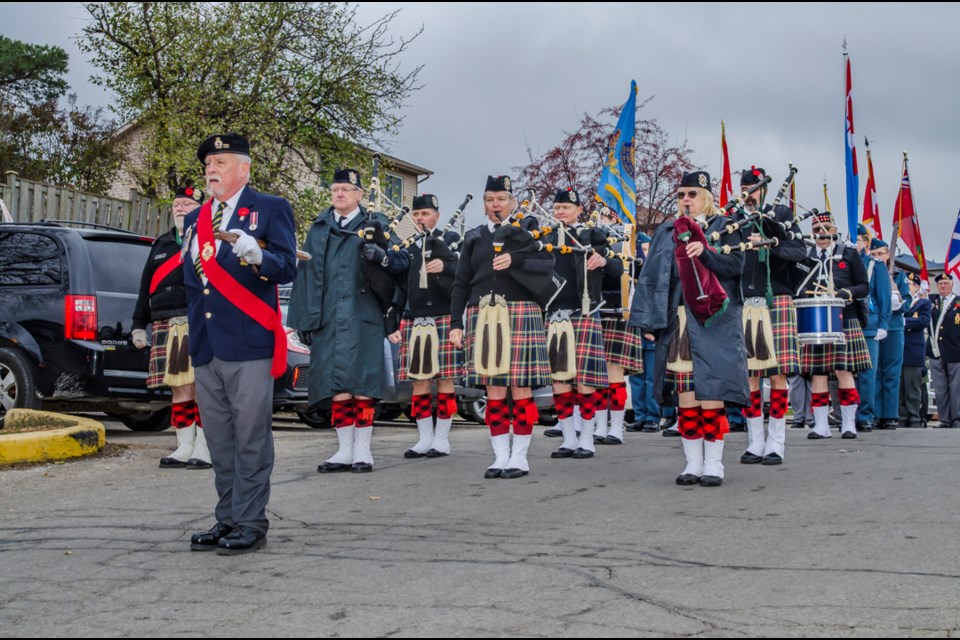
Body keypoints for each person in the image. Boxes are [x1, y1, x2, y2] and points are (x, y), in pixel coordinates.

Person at [184, 133, 297, 555]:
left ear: (244, 169)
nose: (211, 169)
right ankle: (227, 517)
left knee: (250, 436)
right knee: (219, 439)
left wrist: (257, 256)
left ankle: (251, 522)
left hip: (249, 342)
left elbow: (288, 269)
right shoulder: (197, 219)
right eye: (209, 164)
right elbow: (195, 285)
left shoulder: (269, 208)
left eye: (221, 162)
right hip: (207, 344)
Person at [630, 171, 750, 488]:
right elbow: (653, 278)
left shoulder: (725, 227)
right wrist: (651, 321)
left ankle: (713, 463)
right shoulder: (668, 231)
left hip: (715, 321)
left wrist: (707, 252)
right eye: (682, 194)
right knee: (685, 395)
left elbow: (737, 267)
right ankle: (692, 463)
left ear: (706, 197)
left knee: (710, 392)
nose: (686, 199)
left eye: (692, 193)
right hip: (679, 320)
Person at [288, 168, 409, 473]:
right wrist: (302, 320)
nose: (339, 194)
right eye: (335, 189)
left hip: (363, 315)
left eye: (345, 189)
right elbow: (305, 275)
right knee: (336, 384)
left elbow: (402, 260)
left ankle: (363, 450)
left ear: (359, 194)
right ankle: (343, 450)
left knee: (363, 383)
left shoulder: (376, 223)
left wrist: (381, 255)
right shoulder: (319, 228)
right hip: (327, 317)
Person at [449, 175, 555, 479]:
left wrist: (515, 260)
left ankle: (519, 457)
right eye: (490, 200)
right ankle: (500, 456)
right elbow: (460, 282)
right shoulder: (474, 238)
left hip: (520, 311)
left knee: (520, 388)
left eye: (501, 199)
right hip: (482, 314)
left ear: (512, 202)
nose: (495, 204)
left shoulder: (528, 235)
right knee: (494, 389)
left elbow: (547, 266)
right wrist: (457, 322)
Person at [132, 185, 211, 470]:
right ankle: (184, 445)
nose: (180, 208)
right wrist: (138, 326)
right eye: (177, 204)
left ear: (200, 210)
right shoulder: (162, 244)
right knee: (179, 388)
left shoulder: (206, 240)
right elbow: (145, 290)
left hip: (196, 321)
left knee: (202, 386)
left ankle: (205, 446)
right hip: (166, 322)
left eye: (187, 204)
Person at [732, 167, 807, 465]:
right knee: (749, 375)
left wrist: (771, 242)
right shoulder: (735, 216)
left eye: (755, 187)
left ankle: (776, 442)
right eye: (746, 187)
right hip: (745, 299)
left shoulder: (783, 214)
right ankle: (755, 442)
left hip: (776, 297)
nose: (750, 193)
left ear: (763, 189)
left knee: (776, 373)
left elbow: (799, 250)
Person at [540, 188, 616, 459]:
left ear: (578, 209)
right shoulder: (546, 237)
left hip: (584, 312)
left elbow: (618, 270)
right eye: (557, 207)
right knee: (560, 379)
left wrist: (603, 259)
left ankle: (587, 438)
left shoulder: (591, 235)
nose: (560, 211)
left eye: (566, 207)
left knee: (585, 380)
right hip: (555, 314)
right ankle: (568, 438)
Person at [388, 194, 462, 458]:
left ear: (437, 216)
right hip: (413, 319)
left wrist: (447, 265)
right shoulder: (408, 246)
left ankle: (442, 439)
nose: (420, 219)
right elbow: (397, 287)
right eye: (417, 214)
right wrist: (393, 321)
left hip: (443, 316)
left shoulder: (451, 240)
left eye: (426, 214)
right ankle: (424, 438)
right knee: (418, 382)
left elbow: (465, 275)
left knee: (444, 380)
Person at [797, 212, 870, 440]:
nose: (822, 233)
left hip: (844, 319)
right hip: (814, 321)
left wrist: (847, 292)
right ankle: (821, 425)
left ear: (834, 229)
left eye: (826, 228)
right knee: (817, 373)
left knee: (844, 371)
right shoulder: (805, 256)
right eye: (817, 229)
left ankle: (848, 423)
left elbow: (864, 286)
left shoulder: (847, 253)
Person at [853, 225, 892, 432]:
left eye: (858, 239)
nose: (854, 243)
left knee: (868, 373)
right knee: (846, 372)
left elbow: (884, 297)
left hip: (870, 324)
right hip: (848, 323)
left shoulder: (875, 265)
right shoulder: (842, 263)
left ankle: (865, 415)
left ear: (866, 243)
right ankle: (847, 414)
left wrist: (884, 324)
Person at [870, 238, 911, 429]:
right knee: (875, 370)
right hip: (876, 325)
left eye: (881, 254)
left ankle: (890, 414)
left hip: (894, 327)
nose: (877, 257)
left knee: (892, 371)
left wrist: (898, 302)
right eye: (874, 254)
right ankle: (876, 413)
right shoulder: (869, 272)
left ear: (888, 255)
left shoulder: (898, 275)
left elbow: (908, 301)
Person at [927, 273, 960, 428]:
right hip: (935, 351)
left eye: (946, 283)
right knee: (940, 388)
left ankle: (957, 419)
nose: (943, 286)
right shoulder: (931, 302)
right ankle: (945, 419)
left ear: (952, 284)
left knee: (956, 388)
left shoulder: (958, 302)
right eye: (940, 284)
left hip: (955, 350)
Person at [900, 272, 932, 428]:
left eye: (911, 285)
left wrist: (904, 321)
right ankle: (901, 416)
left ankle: (914, 417)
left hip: (914, 350)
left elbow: (923, 321)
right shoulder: (901, 302)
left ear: (917, 287)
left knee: (913, 387)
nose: (908, 288)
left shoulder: (923, 303)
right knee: (900, 386)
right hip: (899, 349)